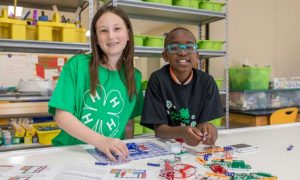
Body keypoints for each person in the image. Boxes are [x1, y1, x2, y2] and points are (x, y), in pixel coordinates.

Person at [48, 4, 143, 162]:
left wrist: (125, 150)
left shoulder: (135, 77)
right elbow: (62, 116)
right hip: (72, 152)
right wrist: (100, 141)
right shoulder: (78, 65)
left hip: (109, 156)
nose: (111, 36)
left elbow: (127, 122)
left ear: (128, 34)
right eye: (103, 30)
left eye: (117, 29)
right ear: (97, 39)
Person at [140, 27, 224, 146]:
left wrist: (209, 129)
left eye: (189, 47)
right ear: (165, 55)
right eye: (174, 48)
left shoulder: (207, 82)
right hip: (166, 145)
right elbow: (159, 130)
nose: (183, 52)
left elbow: (203, 123)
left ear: (197, 55)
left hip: (193, 147)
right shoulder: (157, 80)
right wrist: (183, 132)